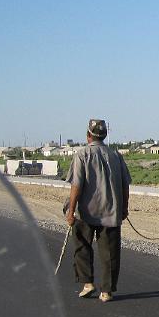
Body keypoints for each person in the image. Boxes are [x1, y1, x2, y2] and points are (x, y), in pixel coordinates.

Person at [65, 118, 131, 302]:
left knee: (82, 245)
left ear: (88, 136)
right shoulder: (116, 155)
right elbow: (126, 185)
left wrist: (70, 211)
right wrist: (124, 208)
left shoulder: (82, 155)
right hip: (111, 211)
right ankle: (107, 291)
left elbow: (76, 185)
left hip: (86, 212)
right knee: (110, 252)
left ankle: (87, 283)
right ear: (104, 135)